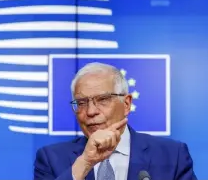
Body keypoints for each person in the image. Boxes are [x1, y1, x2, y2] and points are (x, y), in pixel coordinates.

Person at [34, 62, 197, 180]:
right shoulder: (51, 158)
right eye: (81, 103)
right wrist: (84, 163)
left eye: (103, 99)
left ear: (126, 104)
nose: (91, 111)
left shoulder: (171, 155)